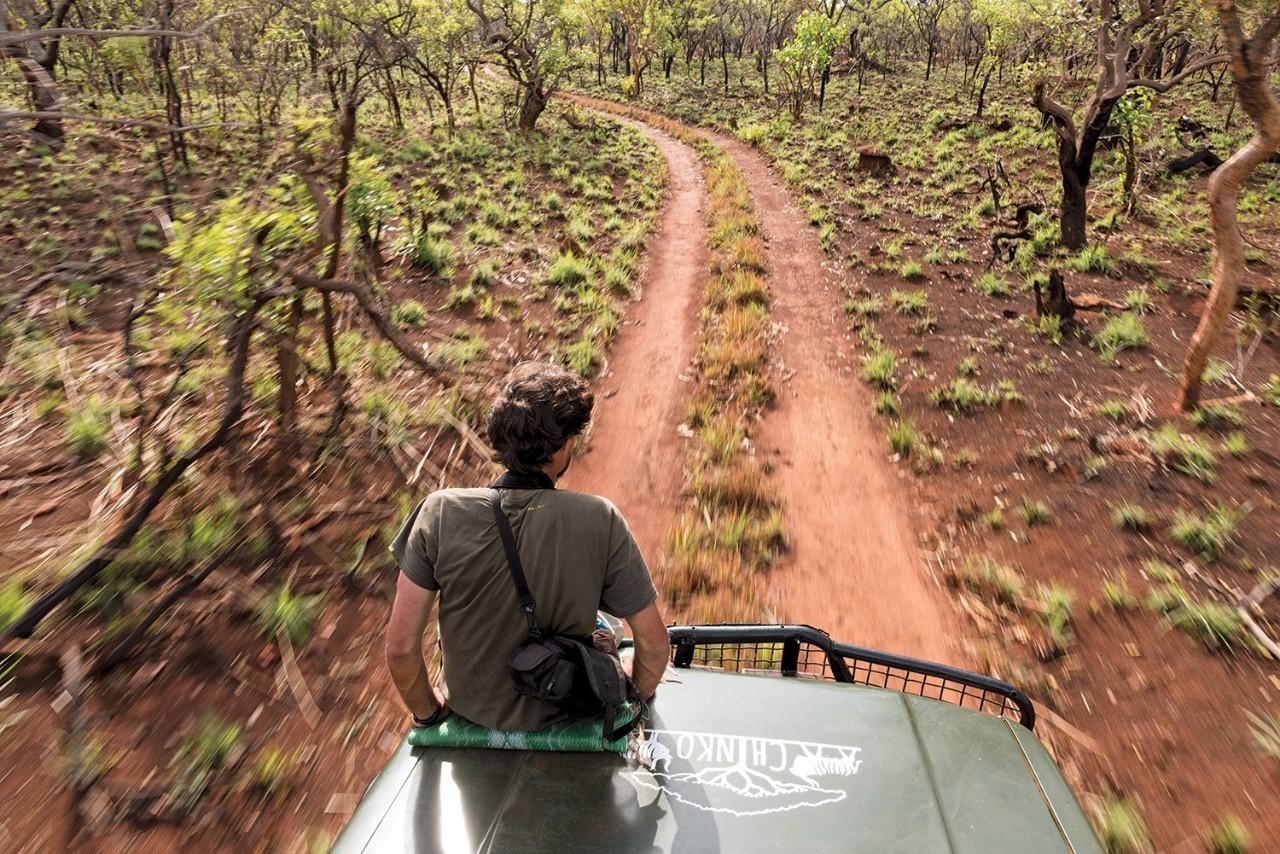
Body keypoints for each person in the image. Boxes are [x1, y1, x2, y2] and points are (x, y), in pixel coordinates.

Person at [385, 362, 669, 731]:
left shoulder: (440, 513)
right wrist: (634, 697)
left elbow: (401, 648)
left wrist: (428, 712)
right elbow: (655, 645)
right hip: (568, 717)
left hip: (471, 714)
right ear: (566, 444)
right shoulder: (600, 519)